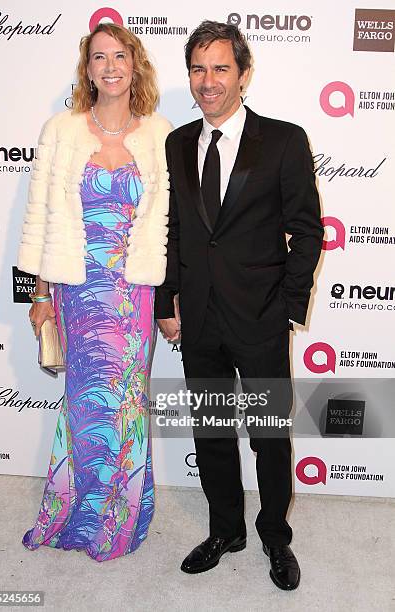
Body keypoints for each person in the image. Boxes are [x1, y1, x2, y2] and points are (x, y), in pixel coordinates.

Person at [155, 21, 323, 589]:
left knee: (270, 434)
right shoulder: (177, 143)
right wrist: (164, 301)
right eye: (198, 69)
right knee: (212, 431)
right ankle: (225, 528)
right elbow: (171, 230)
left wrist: (288, 307)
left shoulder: (283, 140)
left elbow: (306, 230)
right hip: (197, 316)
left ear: (244, 75)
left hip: (261, 318)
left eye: (221, 68)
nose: (208, 81)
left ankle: (275, 535)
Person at [18, 23, 171, 562]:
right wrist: (39, 295)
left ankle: (123, 516)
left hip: (132, 298)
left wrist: (170, 302)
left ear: (135, 65)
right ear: (87, 70)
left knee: (127, 405)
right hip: (77, 293)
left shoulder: (159, 133)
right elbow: (39, 219)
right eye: (99, 57)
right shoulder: (60, 130)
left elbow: (169, 227)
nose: (110, 66)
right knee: (84, 409)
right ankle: (78, 513)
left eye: (119, 56)